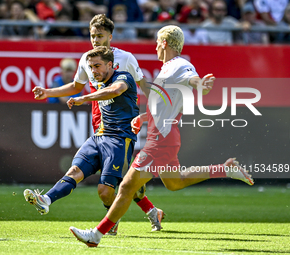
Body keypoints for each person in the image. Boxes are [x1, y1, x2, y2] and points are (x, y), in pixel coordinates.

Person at [69, 25, 254, 247]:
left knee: (127, 186)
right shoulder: (166, 69)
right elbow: (167, 105)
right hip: (167, 137)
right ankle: (224, 169)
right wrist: (144, 118)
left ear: (164, 43)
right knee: (175, 182)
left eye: (157, 42)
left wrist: (201, 84)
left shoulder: (179, 65)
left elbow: (192, 78)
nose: (155, 46)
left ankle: (96, 235)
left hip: (161, 141)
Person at [25, 14, 165, 235]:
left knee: (120, 184)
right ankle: (46, 199)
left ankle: (135, 215)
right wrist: (48, 92)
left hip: (121, 132)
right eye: (92, 36)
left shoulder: (125, 60)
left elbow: (133, 86)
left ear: (110, 36)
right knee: (119, 180)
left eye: (100, 35)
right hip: (100, 127)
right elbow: (75, 85)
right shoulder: (87, 59)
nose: (96, 40)